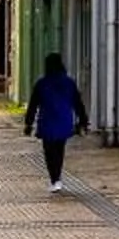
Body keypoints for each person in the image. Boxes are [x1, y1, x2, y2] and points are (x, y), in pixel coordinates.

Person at [24, 51, 88, 193]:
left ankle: (54, 178)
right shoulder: (69, 83)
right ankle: (57, 177)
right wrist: (83, 120)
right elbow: (78, 103)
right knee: (59, 150)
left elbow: (33, 105)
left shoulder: (41, 83)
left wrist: (28, 123)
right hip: (64, 121)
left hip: (47, 121)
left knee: (49, 152)